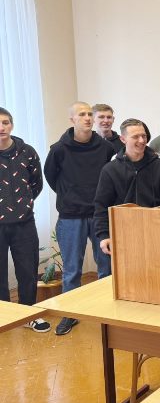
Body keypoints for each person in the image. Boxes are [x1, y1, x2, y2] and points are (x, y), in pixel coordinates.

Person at [44, 101, 115, 335]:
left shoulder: (105, 148)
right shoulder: (59, 149)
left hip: (99, 215)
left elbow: (112, 176)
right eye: (81, 114)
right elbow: (51, 176)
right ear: (72, 119)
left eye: (89, 114)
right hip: (71, 216)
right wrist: (69, 195)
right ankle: (70, 315)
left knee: (106, 268)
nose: (87, 118)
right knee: (72, 270)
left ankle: (108, 314)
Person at [94, 118, 160, 255]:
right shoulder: (110, 169)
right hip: (123, 233)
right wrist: (104, 235)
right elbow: (102, 205)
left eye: (143, 136)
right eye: (135, 137)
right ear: (123, 139)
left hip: (157, 231)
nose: (141, 140)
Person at [0, 107, 50, 333]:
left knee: (27, 270)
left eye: (5, 122)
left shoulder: (27, 152)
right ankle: (4, 316)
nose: (1, 127)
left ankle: (29, 314)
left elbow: (36, 184)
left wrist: (23, 205)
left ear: (11, 125)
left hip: (24, 223)